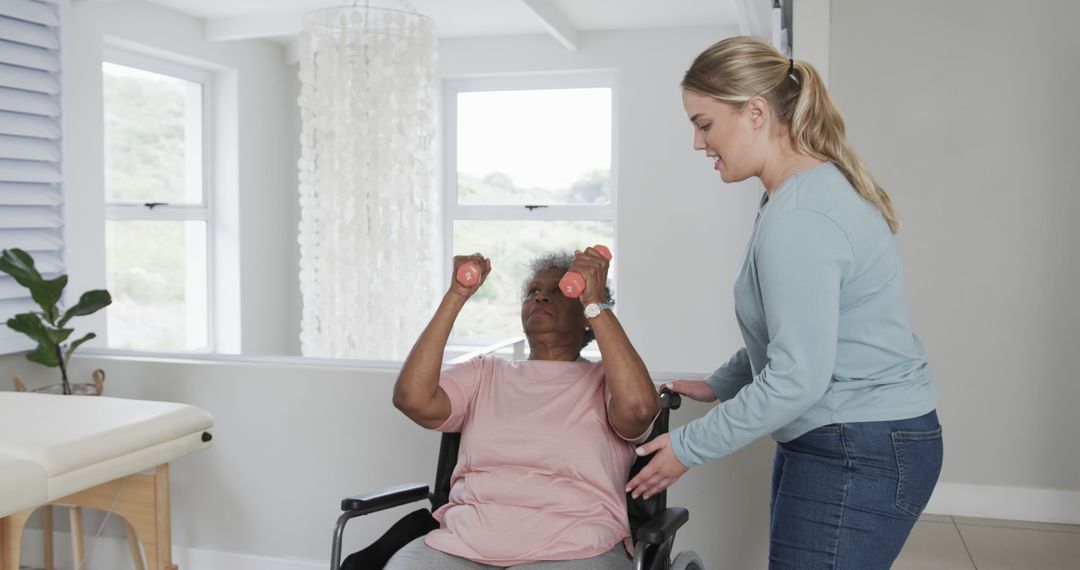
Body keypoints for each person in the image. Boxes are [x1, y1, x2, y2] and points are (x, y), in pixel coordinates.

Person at [625, 36, 944, 569]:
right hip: (847, 438)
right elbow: (800, 330)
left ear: (754, 112)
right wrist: (723, 381)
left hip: (856, 448)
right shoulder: (795, 195)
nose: (699, 144)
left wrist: (687, 448)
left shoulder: (799, 219)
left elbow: (797, 377)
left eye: (704, 124)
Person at [388, 248, 660, 569]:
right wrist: (457, 294)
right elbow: (411, 398)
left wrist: (595, 302)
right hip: (462, 543)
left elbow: (641, 409)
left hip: (575, 548)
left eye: (560, 291)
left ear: (587, 317)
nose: (540, 298)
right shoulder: (485, 373)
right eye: (533, 292)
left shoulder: (609, 381)